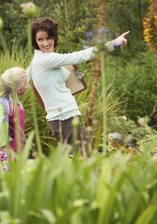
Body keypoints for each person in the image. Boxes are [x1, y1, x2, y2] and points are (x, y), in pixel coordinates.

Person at [27, 17, 129, 154]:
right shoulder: (46, 59)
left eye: (48, 38)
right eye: (40, 40)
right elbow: (79, 56)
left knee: (78, 163)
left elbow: (25, 77)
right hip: (64, 119)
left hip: (65, 118)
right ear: (35, 41)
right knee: (83, 160)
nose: (45, 43)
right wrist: (113, 43)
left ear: (54, 37)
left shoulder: (40, 59)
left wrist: (79, 76)